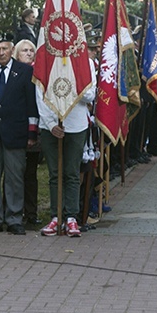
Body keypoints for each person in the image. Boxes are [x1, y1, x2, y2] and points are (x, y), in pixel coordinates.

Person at [0, 33, 38, 235]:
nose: (1, 53)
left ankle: (14, 218)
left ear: (12, 49)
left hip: (16, 132)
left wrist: (31, 133)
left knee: (15, 177)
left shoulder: (25, 71)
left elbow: (31, 104)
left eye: (4, 48)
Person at [38, 54, 96, 237]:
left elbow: (90, 94)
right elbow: (39, 93)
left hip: (75, 124)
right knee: (55, 173)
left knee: (71, 172)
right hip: (50, 125)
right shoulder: (45, 59)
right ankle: (56, 216)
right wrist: (50, 124)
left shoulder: (84, 61)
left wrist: (75, 82)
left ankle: (71, 217)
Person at [13, 39, 41, 225]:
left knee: (30, 173)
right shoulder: (12, 73)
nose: (29, 53)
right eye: (24, 50)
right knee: (13, 173)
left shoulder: (38, 74)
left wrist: (33, 132)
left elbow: (35, 105)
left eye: (32, 50)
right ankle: (13, 209)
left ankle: (31, 212)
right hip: (14, 129)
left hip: (34, 127)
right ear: (16, 53)